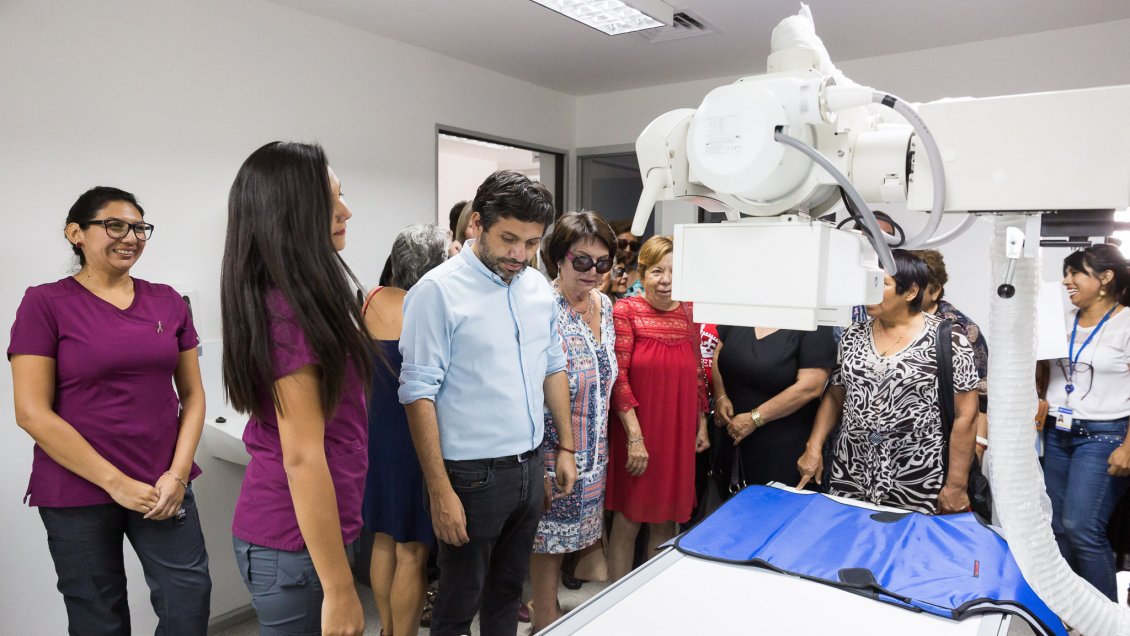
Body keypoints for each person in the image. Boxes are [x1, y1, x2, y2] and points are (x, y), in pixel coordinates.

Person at [9, 186, 211, 634]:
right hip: (76, 488)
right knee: (97, 617)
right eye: (114, 225)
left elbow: (193, 395)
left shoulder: (167, 301)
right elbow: (31, 412)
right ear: (76, 233)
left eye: (140, 227)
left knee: (187, 603)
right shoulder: (45, 303)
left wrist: (177, 476)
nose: (131, 236)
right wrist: (116, 484)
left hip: (162, 484)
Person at [399, 170, 577, 636]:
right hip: (469, 475)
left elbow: (552, 365)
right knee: (458, 604)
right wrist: (439, 491)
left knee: (507, 596)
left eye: (532, 242)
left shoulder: (537, 286)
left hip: (528, 464)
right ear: (477, 223)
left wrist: (566, 448)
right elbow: (418, 393)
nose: (520, 254)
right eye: (509, 239)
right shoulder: (437, 292)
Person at [222, 141, 377, 635]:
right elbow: (302, 457)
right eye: (329, 200)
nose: (345, 211)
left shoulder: (303, 296)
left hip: (308, 534)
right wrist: (340, 588)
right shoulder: (287, 312)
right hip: (292, 542)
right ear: (290, 212)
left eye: (342, 195)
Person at [796, 249, 979, 515]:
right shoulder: (853, 335)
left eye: (880, 284)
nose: (868, 291)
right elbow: (836, 394)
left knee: (908, 548)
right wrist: (813, 447)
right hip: (851, 469)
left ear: (911, 291)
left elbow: (967, 415)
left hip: (916, 474)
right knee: (849, 541)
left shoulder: (949, 341)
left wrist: (956, 485)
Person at [528, 212, 618, 631]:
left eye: (603, 263)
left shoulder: (606, 306)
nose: (593, 272)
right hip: (551, 451)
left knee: (572, 541)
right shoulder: (542, 307)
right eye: (582, 261)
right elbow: (529, 388)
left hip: (593, 452)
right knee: (545, 544)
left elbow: (606, 375)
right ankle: (544, 617)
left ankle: (552, 611)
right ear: (558, 258)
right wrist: (541, 462)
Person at [605, 235, 711, 582]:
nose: (665, 280)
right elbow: (618, 378)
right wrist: (635, 437)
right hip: (638, 428)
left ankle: (648, 598)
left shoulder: (689, 312)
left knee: (666, 520)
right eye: (656, 271)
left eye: (673, 272)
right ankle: (615, 602)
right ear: (642, 272)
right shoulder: (626, 311)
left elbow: (697, 373)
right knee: (629, 520)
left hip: (677, 430)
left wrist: (701, 424)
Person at [362, 224, 449, 636]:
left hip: (373, 440)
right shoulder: (425, 309)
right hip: (415, 440)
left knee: (382, 538)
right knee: (412, 551)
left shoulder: (370, 299)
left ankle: (387, 629)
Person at [1043, 244, 1130, 601]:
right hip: (1056, 431)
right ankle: (1068, 611)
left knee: (1082, 528)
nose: (1067, 281)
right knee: (1057, 530)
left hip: (1104, 436)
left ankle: (1103, 620)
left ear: (1106, 278)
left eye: (1075, 272)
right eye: (1066, 273)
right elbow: (1042, 366)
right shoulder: (1059, 319)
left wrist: (1129, 446)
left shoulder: (1126, 322)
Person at [712, 319, 836, 488]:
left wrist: (755, 418)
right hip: (733, 438)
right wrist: (720, 396)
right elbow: (719, 352)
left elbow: (811, 386)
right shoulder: (742, 310)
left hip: (782, 446)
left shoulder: (813, 324)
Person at [911, 249, 991, 461]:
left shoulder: (962, 329)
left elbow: (982, 398)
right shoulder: (887, 321)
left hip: (946, 444)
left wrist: (977, 449)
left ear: (935, 291)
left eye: (915, 286)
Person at [609, 220, 643, 298]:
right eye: (622, 244)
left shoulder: (644, 278)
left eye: (633, 245)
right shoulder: (602, 277)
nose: (628, 250)